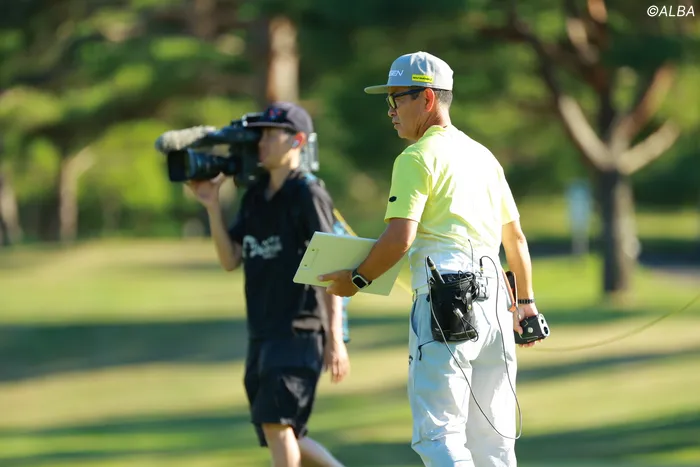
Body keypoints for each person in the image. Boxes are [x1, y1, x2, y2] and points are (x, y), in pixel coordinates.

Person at [318, 51, 540, 466]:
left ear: (427, 98)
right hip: (497, 303)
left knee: (439, 435)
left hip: (446, 300)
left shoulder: (416, 157)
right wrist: (525, 303)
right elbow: (516, 239)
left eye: (396, 98)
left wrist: (357, 280)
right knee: (494, 440)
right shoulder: (484, 156)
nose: (390, 110)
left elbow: (399, 238)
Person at [187, 102, 350, 467]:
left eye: (270, 135)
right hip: (262, 333)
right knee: (283, 431)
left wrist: (335, 339)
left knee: (278, 426)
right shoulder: (256, 196)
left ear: (297, 141)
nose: (260, 142)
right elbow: (230, 259)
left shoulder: (308, 194)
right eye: (259, 135)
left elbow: (333, 268)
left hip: (300, 330)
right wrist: (212, 205)